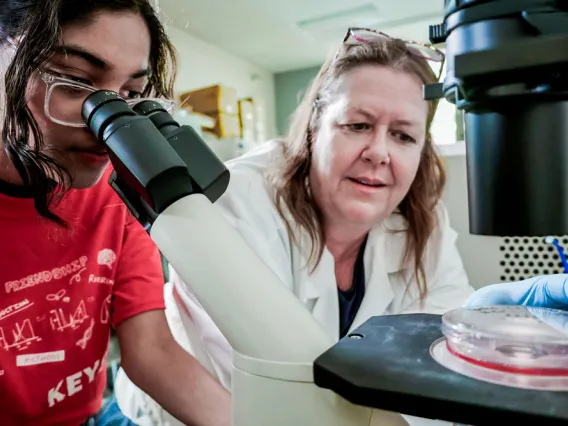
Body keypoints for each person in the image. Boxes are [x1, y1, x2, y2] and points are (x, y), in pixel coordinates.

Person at [115, 28, 474, 426]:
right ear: (315, 128)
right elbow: (269, 395)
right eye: (357, 125)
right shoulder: (236, 201)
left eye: (403, 135)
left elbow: (450, 368)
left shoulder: (424, 223)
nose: (379, 153)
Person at [0, 1, 230, 425]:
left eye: (128, 95)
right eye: (73, 80)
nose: (103, 125)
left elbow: (154, 352)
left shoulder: (118, 193)